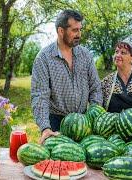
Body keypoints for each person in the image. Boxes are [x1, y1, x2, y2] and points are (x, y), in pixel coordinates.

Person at [31, 10, 103, 144]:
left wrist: (94, 117)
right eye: (75, 30)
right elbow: (40, 96)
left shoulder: (85, 55)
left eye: (80, 30)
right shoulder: (44, 58)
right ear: (61, 31)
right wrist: (45, 128)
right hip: (56, 124)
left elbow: (95, 89)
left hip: (84, 122)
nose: (79, 34)